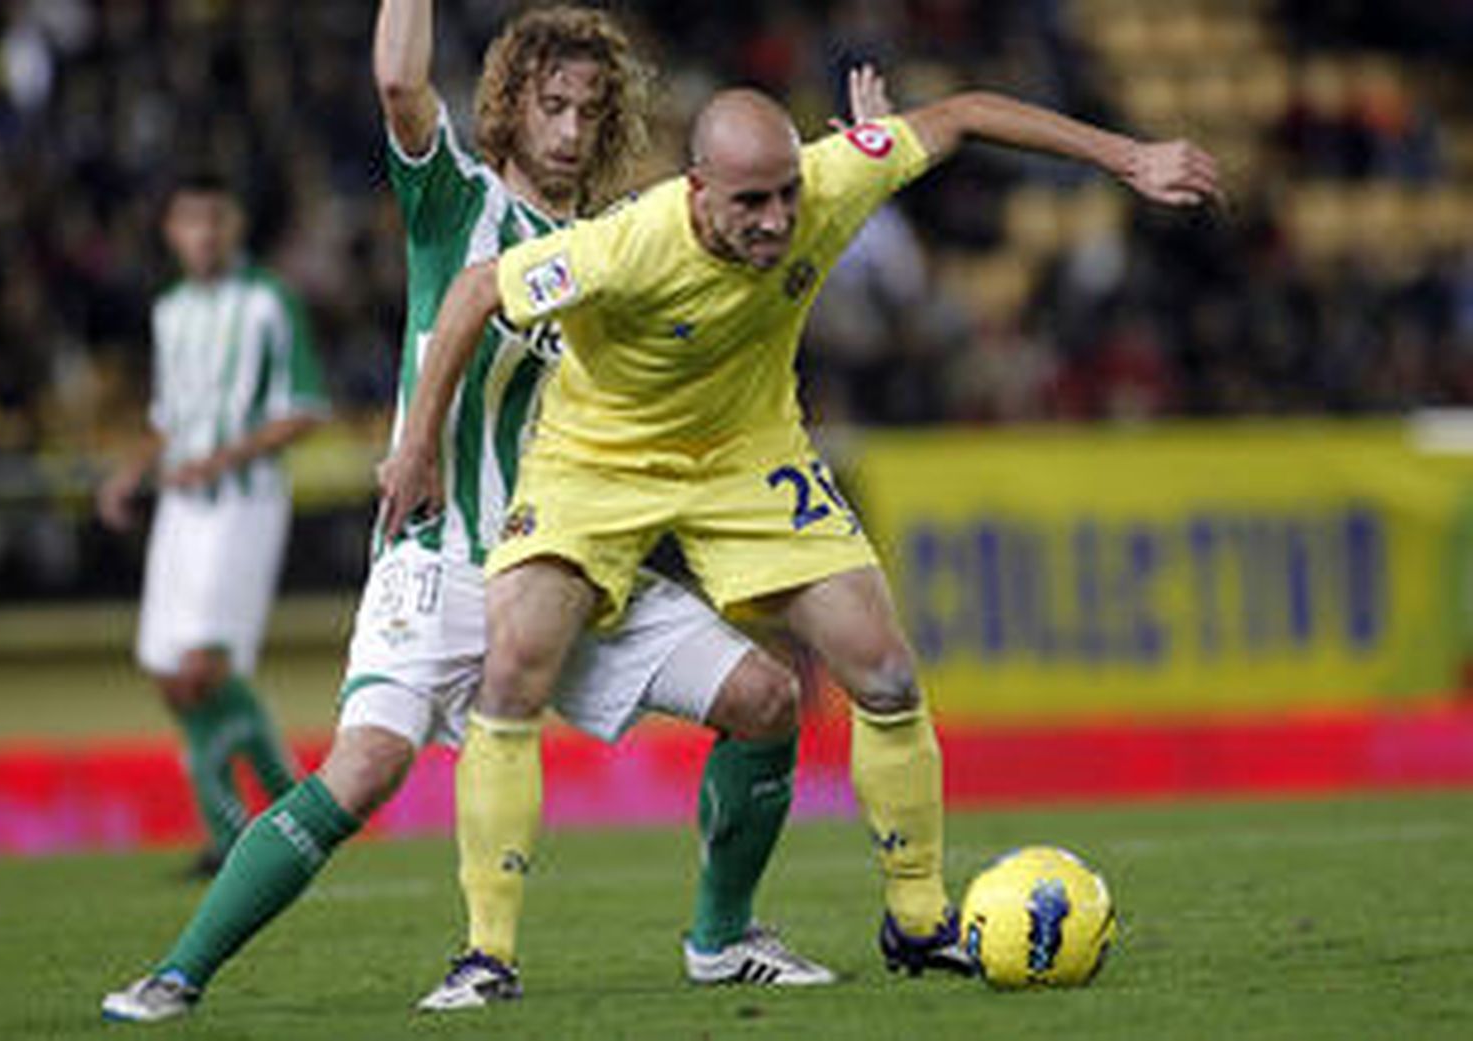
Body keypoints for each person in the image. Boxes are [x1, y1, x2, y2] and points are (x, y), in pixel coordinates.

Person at [101, 2, 841, 1024]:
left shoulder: (614, 246)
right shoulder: (456, 202)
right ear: (511, 109)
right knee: (361, 771)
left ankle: (721, 940)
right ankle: (175, 975)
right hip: (442, 554)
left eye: (590, 109)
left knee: (764, 699)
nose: (572, 130)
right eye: (551, 107)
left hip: (571, 565)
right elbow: (402, 83)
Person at [381, 82, 1221, 978]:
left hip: (748, 452)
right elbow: (474, 293)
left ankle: (916, 919)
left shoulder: (832, 179)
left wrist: (1129, 157)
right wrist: (418, 444)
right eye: (751, 200)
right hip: (598, 461)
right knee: (515, 662)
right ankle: (487, 954)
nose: (779, 217)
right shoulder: (626, 244)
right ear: (698, 188)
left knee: (887, 671)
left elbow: (966, 114)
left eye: (787, 192)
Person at [96, 171, 328, 880]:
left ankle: (240, 830)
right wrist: (132, 471)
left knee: (204, 667)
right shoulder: (170, 310)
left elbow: (305, 407)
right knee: (170, 672)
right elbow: (171, 417)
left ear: (236, 227)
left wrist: (221, 458)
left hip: (243, 503)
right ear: (170, 230)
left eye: (215, 219)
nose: (203, 233)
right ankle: (292, 806)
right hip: (181, 507)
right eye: (189, 220)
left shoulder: (269, 302)